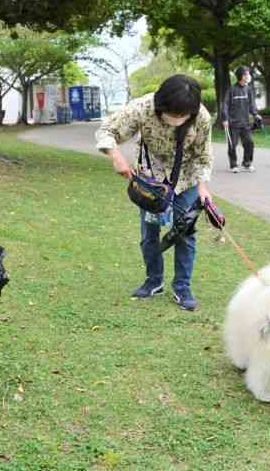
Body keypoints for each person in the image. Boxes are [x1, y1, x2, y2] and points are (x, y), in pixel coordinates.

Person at [95, 75, 213, 311]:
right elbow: (107, 130)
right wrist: (116, 157)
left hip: (186, 179)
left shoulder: (201, 116)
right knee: (149, 232)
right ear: (162, 105)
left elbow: (203, 155)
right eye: (174, 114)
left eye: (183, 116)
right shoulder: (142, 108)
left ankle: (182, 287)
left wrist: (203, 188)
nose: (178, 120)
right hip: (151, 182)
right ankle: (153, 280)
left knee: (185, 233)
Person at [222, 66, 260, 173]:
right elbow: (225, 105)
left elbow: (252, 105)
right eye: (246, 74)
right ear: (241, 76)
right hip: (233, 123)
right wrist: (225, 118)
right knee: (232, 144)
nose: (248, 76)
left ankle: (247, 163)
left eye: (248, 74)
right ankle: (233, 165)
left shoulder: (248, 89)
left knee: (249, 143)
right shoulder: (231, 90)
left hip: (245, 123)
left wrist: (256, 114)